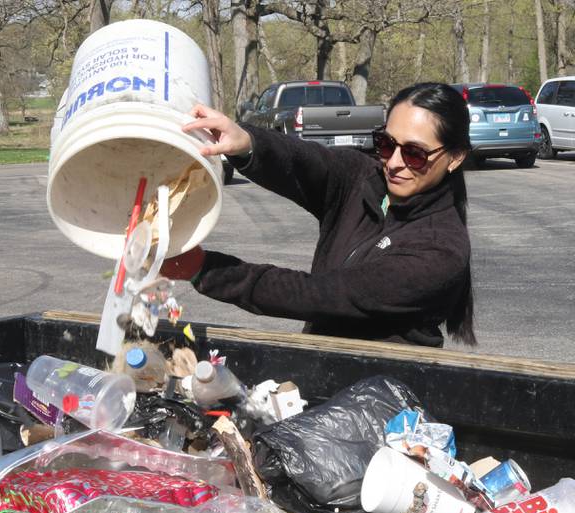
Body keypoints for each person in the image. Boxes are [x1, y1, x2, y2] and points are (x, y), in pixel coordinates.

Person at [161, 82, 476, 347]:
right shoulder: (363, 179)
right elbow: (305, 162)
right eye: (386, 143)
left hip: (382, 399)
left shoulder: (440, 250)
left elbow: (318, 295)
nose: (393, 162)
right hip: (322, 369)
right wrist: (245, 142)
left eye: (414, 153)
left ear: (455, 157)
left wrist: (205, 269)